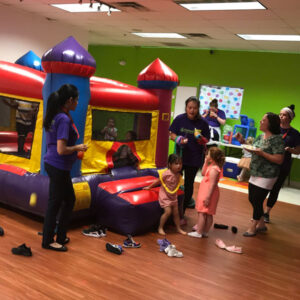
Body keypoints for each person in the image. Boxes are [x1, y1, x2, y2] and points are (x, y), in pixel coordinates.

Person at [42, 84, 88, 251]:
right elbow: (61, 150)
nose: (77, 103)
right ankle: (48, 241)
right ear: (70, 100)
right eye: (76, 100)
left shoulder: (60, 115)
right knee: (55, 203)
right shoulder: (62, 118)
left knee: (69, 200)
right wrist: (78, 148)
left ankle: (61, 236)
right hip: (57, 165)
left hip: (57, 165)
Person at [235, 113, 284, 237]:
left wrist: (263, 154)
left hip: (268, 174)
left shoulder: (277, 139)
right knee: (252, 198)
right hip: (256, 171)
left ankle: (253, 227)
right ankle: (261, 224)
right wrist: (242, 141)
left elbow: (279, 159)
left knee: (257, 199)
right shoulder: (260, 136)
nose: (261, 122)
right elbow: (252, 149)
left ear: (270, 124)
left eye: (263, 120)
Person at [169, 96, 210, 222]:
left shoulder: (203, 123)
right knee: (173, 183)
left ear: (198, 109)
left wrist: (201, 139)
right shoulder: (179, 119)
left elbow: (206, 140)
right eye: (189, 108)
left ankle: (182, 213)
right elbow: (171, 134)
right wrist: (178, 139)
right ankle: (170, 211)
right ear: (186, 107)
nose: (192, 110)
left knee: (188, 185)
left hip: (194, 158)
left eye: (195, 108)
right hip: (179, 158)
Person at [264, 105, 300, 223]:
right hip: (269, 163)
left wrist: (290, 149)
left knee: (275, 189)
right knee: (263, 187)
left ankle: (267, 213)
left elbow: (298, 151)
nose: (281, 116)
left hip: (283, 165)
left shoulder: (295, 133)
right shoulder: (274, 129)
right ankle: (258, 210)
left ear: (290, 118)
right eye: (280, 114)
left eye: (284, 115)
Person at [143, 154, 186, 236]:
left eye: (180, 163)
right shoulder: (167, 173)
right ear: (170, 164)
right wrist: (149, 187)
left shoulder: (179, 174)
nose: (179, 166)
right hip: (165, 196)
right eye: (176, 164)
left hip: (173, 196)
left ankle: (178, 228)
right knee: (168, 211)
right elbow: (158, 181)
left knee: (176, 213)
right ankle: (160, 227)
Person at [188, 147, 225, 238]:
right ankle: (204, 232)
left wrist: (208, 197)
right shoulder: (212, 167)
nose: (206, 155)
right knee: (207, 213)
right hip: (207, 192)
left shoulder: (214, 170)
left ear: (212, 158)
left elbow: (212, 185)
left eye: (208, 154)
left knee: (202, 212)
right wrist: (205, 162)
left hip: (208, 193)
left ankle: (199, 232)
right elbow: (203, 173)